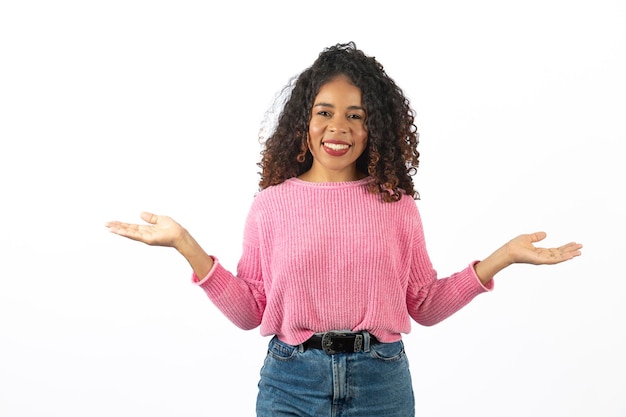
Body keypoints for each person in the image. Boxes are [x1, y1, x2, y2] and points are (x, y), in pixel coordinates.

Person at [105, 42, 582, 417]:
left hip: (381, 383)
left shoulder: (397, 207)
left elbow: (425, 305)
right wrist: (185, 245)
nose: (339, 128)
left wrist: (504, 256)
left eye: (356, 116)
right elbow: (252, 310)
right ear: (304, 122)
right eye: (325, 112)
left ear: (375, 128)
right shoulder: (271, 206)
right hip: (290, 381)